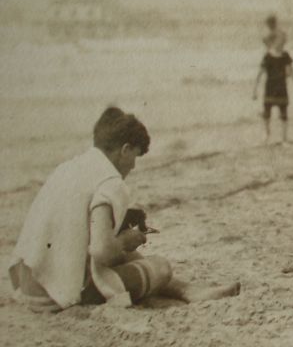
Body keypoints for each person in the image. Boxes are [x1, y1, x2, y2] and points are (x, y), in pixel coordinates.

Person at [8, 108, 240, 312]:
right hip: (56, 296)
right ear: (125, 149)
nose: (133, 165)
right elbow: (102, 252)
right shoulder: (110, 181)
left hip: (31, 282)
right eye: (135, 156)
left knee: (132, 257)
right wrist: (126, 241)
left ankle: (188, 290)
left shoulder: (70, 167)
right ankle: (186, 290)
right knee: (161, 267)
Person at [253, 31, 293, 145]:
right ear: (273, 42)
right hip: (270, 86)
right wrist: (255, 90)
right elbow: (260, 73)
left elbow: (290, 69)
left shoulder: (285, 55)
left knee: (284, 112)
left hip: (282, 86)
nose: (282, 44)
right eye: (280, 41)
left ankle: (284, 138)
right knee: (267, 112)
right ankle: (266, 134)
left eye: (283, 42)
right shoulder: (268, 56)